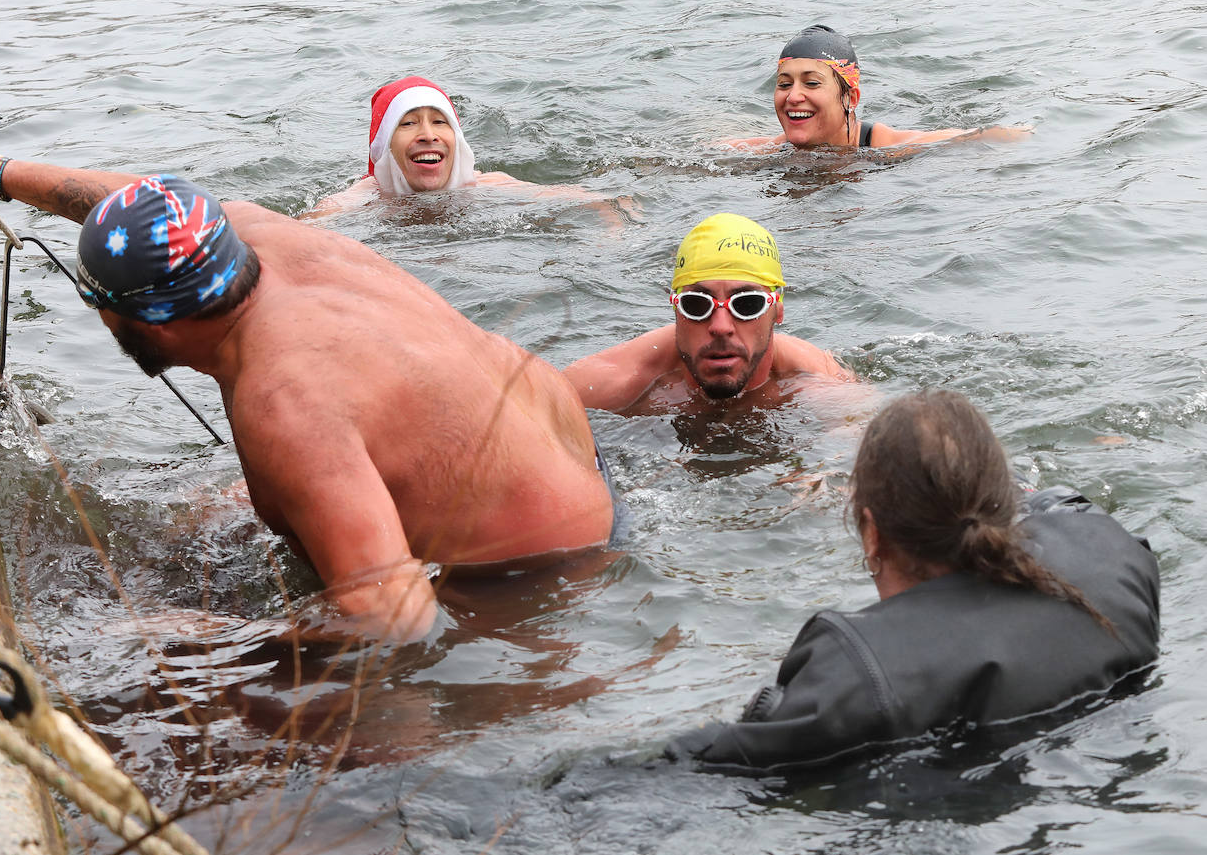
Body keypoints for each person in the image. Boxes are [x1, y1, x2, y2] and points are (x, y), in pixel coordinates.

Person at [0, 125, 615, 645]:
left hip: (544, 582)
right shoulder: (255, 236)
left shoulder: (287, 404)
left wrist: (196, 642)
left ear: (149, 322)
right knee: (198, 510)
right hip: (581, 464)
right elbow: (145, 206)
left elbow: (396, 620)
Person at [668, 389, 1160, 772]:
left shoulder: (860, 673)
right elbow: (1055, 505)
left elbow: (699, 769)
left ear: (873, 534)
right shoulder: (1115, 554)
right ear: (1002, 504)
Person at [562, 213, 856, 416]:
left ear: (777, 310)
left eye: (747, 304)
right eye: (698, 304)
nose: (720, 327)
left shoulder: (820, 385)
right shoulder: (609, 386)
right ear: (676, 308)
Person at [302, 75, 621, 219]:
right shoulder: (357, 201)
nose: (428, 135)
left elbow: (590, 201)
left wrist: (613, 223)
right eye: (409, 123)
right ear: (385, 146)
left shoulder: (483, 185)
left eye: (440, 122)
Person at [716, 24, 1032, 152]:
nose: (793, 96)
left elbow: (974, 137)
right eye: (784, 84)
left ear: (850, 97)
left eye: (811, 82)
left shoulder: (886, 147)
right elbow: (714, 149)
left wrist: (1026, 133)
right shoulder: (771, 151)